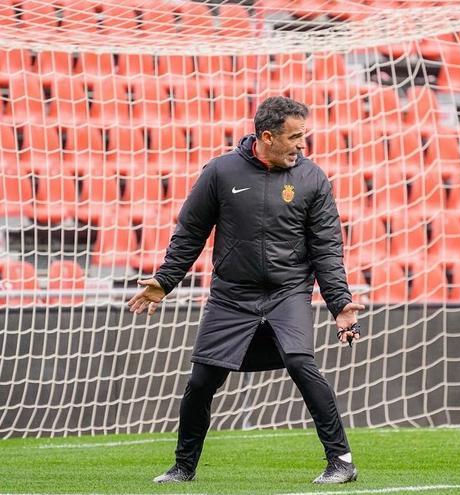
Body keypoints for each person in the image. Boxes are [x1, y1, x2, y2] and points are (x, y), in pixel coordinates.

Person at [127, 96, 365, 485]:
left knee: (301, 363)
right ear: (267, 137)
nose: (302, 144)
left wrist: (339, 303)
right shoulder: (220, 172)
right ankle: (183, 467)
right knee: (202, 381)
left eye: (303, 135)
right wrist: (166, 281)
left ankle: (341, 462)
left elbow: (326, 246)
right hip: (232, 296)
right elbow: (190, 232)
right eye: (294, 136)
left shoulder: (313, 178)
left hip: (288, 292)